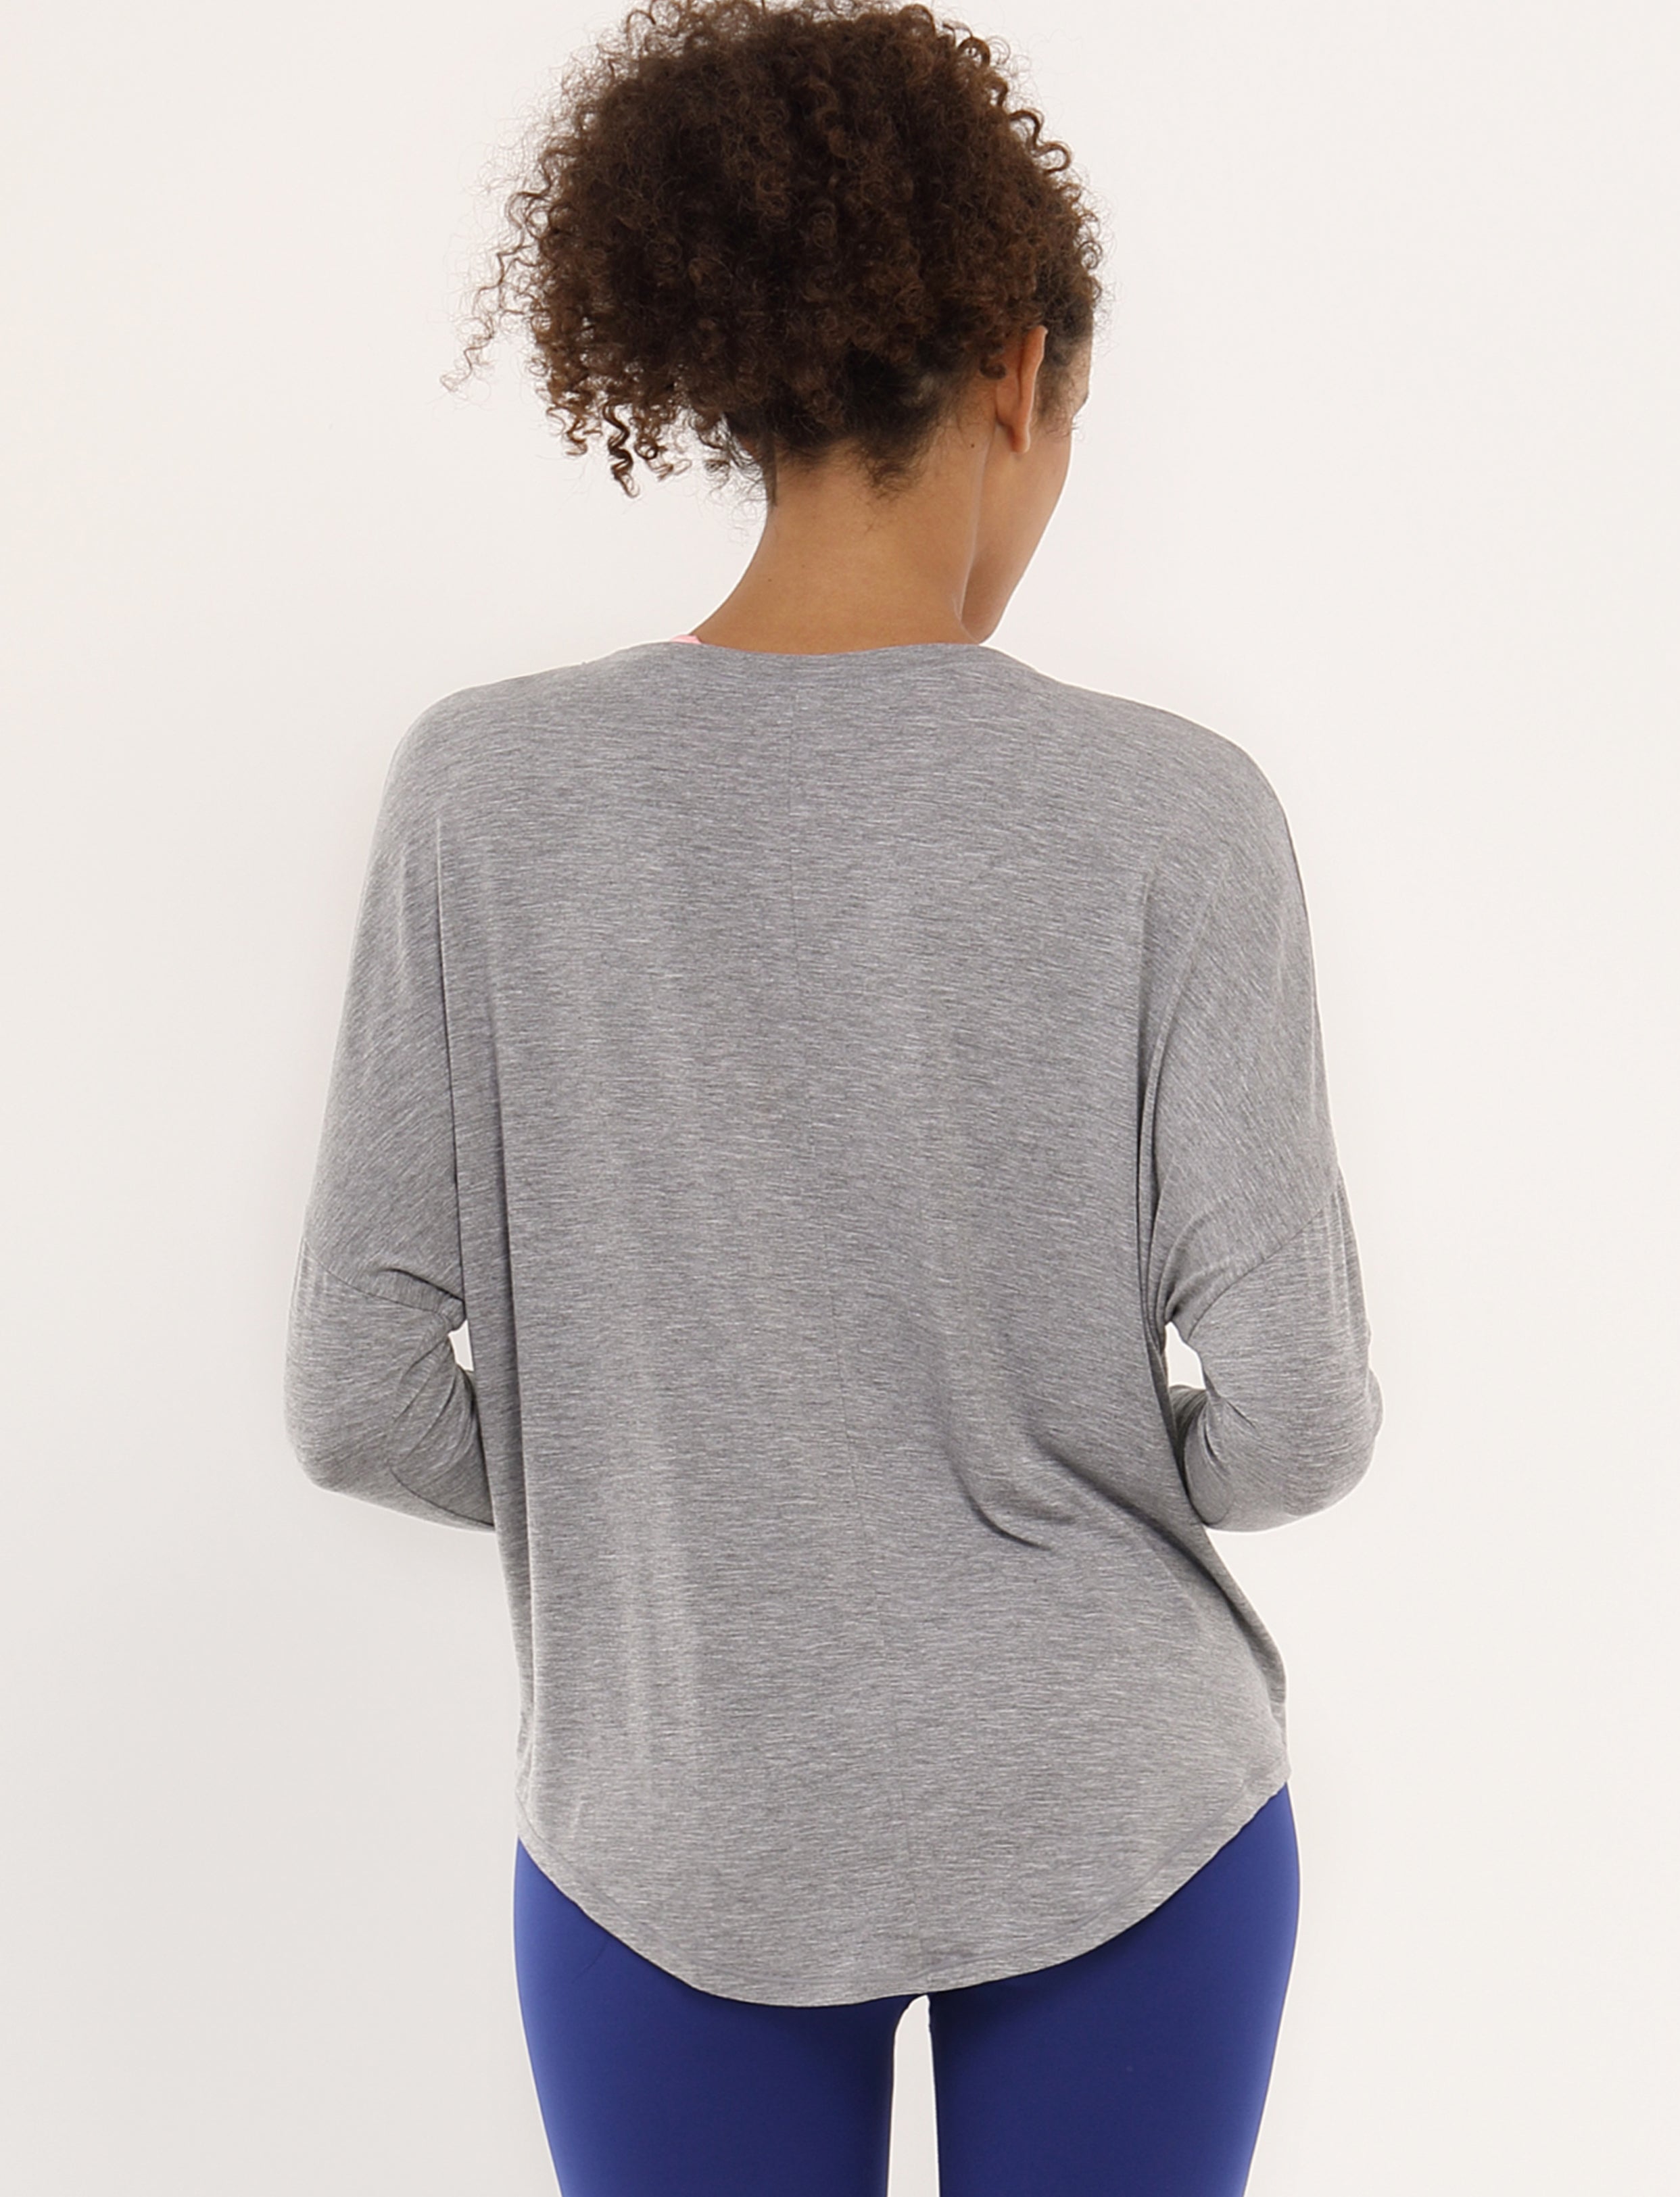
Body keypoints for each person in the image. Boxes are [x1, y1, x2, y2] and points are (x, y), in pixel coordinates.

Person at [282, 1, 1384, 2190]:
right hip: (1119, 1803)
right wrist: (1038, 1477)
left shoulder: (489, 795)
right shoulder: (1169, 817)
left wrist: (702, 1493)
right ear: (1013, 376)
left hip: (676, 1812)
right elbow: (1299, 1417)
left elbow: (355, 1395)